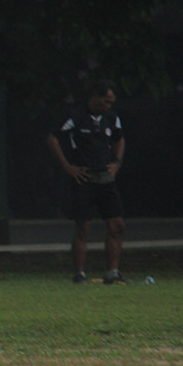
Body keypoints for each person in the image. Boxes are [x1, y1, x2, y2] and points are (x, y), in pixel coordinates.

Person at [46, 79, 127, 285]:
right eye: (106, 101)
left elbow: (119, 139)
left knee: (117, 225)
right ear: (95, 97)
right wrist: (67, 166)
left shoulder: (111, 117)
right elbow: (53, 138)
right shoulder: (76, 115)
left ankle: (113, 272)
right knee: (83, 227)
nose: (108, 106)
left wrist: (116, 163)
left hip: (105, 178)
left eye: (111, 103)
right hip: (84, 178)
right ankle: (80, 274)